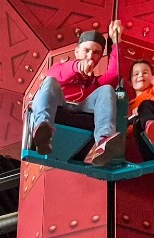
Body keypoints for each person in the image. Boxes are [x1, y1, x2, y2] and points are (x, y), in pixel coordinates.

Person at [28, 20, 124, 166]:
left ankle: (103, 142)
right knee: (50, 82)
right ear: (77, 51)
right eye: (86, 50)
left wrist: (116, 41)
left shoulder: (96, 83)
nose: (90, 56)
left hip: (83, 108)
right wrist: (78, 66)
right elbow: (57, 75)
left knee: (107, 90)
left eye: (96, 53)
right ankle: (43, 129)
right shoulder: (60, 68)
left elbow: (115, 74)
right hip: (60, 104)